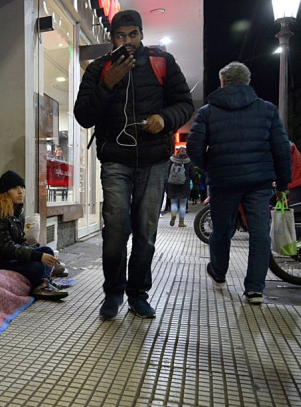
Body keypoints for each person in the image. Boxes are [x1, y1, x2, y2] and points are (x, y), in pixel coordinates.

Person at [73, 9, 194, 319]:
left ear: (141, 34)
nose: (127, 41)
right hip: (116, 159)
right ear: (111, 38)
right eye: (120, 35)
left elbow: (185, 104)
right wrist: (107, 84)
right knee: (115, 228)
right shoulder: (99, 68)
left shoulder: (161, 62)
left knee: (146, 231)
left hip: (155, 160)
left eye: (133, 34)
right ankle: (113, 293)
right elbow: (83, 115)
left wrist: (164, 118)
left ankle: (138, 294)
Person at [186, 62, 291, 305]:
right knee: (259, 233)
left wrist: (211, 167)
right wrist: (283, 183)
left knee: (222, 229)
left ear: (222, 82)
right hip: (259, 182)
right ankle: (254, 289)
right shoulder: (267, 110)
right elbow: (281, 149)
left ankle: (219, 273)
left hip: (223, 182)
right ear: (248, 82)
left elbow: (194, 148)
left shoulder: (208, 112)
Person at [0, 170, 68, 299]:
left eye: (22, 187)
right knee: (37, 265)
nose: (21, 191)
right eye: (15, 188)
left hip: (9, 256)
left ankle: (43, 283)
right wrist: (37, 256)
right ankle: (42, 283)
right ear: (5, 191)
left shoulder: (17, 211)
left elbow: (21, 241)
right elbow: (6, 249)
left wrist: (36, 253)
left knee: (47, 251)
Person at [167, 147, 195, 227]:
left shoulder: (172, 160)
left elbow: (167, 172)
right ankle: (181, 223)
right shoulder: (189, 162)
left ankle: (173, 213)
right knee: (183, 204)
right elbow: (193, 175)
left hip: (172, 184)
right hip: (184, 185)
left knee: (173, 202)